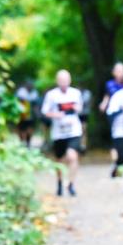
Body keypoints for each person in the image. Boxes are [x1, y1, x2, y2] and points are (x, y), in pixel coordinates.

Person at [41, 69, 84, 197]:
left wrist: (77, 108)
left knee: (72, 156)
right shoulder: (51, 95)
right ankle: (59, 182)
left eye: (66, 80)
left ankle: (71, 184)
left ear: (70, 80)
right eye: (61, 80)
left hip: (74, 131)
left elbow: (80, 108)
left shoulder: (75, 93)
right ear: (57, 81)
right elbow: (45, 112)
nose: (64, 83)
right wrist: (55, 115)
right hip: (59, 133)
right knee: (59, 160)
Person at [98, 62, 123, 176]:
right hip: (114, 115)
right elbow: (107, 97)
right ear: (113, 72)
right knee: (116, 139)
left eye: (122, 70)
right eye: (118, 70)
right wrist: (103, 104)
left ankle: (121, 162)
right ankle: (116, 163)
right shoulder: (109, 84)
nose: (120, 73)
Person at [15, 80, 39, 148]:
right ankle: (22, 143)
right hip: (21, 115)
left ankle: (28, 143)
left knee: (30, 130)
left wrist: (37, 114)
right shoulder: (21, 92)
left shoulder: (34, 93)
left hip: (31, 116)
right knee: (22, 130)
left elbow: (35, 105)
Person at [79, 87, 92, 153]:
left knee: (83, 130)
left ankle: (83, 145)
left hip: (84, 114)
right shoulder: (76, 93)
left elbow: (85, 101)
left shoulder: (87, 93)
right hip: (78, 115)